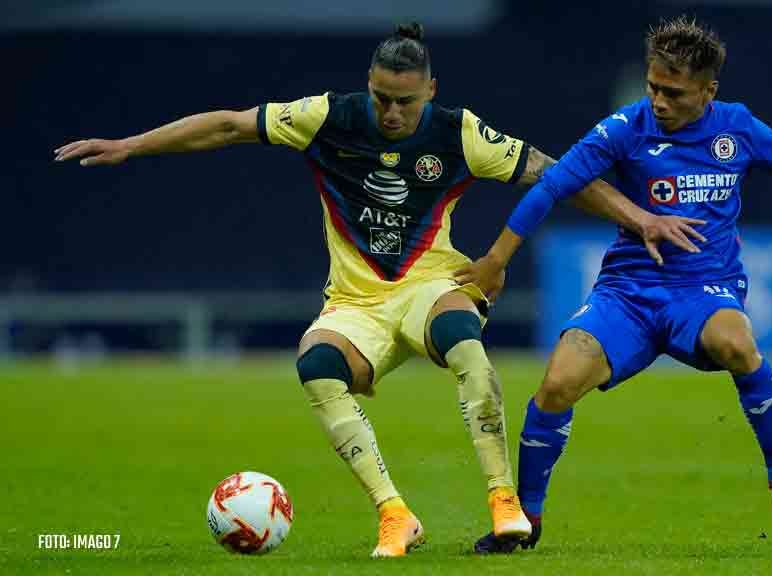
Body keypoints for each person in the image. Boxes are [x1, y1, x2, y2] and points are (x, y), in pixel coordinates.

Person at [54, 23, 703, 557]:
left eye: (405, 101)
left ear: (430, 91)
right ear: (370, 86)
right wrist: (130, 146)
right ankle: (394, 514)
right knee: (315, 366)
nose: (391, 112)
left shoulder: (458, 132)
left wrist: (640, 217)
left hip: (431, 284)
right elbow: (227, 125)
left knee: (464, 343)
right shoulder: (327, 118)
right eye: (382, 97)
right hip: (355, 303)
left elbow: (556, 174)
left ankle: (503, 501)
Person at [463, 16, 772, 553]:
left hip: (705, 289)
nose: (658, 101)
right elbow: (552, 186)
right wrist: (495, 260)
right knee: (557, 383)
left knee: (736, 342)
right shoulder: (625, 128)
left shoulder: (739, 128)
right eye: (653, 86)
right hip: (628, 293)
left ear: (708, 91)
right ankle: (525, 518)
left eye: (674, 92)